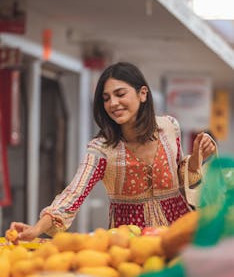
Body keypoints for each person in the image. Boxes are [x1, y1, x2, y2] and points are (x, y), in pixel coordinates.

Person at [9, 62, 216, 241]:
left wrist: (198, 159)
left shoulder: (170, 127)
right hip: (128, 243)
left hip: (180, 233)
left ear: (143, 93)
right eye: (106, 98)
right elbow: (73, 193)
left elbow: (179, 177)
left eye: (120, 94)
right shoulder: (102, 148)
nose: (112, 103)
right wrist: (37, 228)